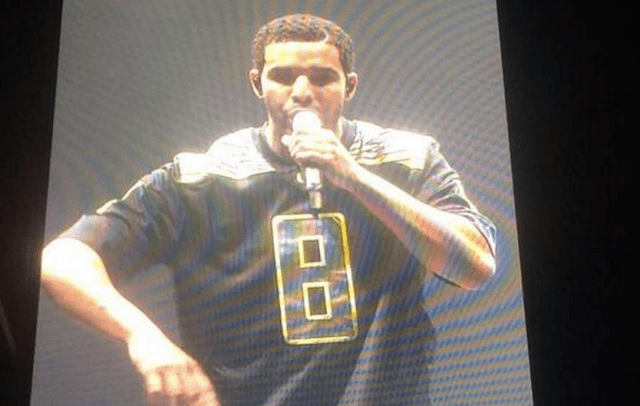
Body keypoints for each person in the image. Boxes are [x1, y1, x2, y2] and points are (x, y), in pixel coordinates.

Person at [40, 14, 496, 406]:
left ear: (350, 86)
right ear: (257, 83)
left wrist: (354, 176)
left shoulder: (406, 159)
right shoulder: (203, 178)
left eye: (322, 77)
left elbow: (475, 265)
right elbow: (60, 260)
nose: (302, 92)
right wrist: (142, 336)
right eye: (283, 76)